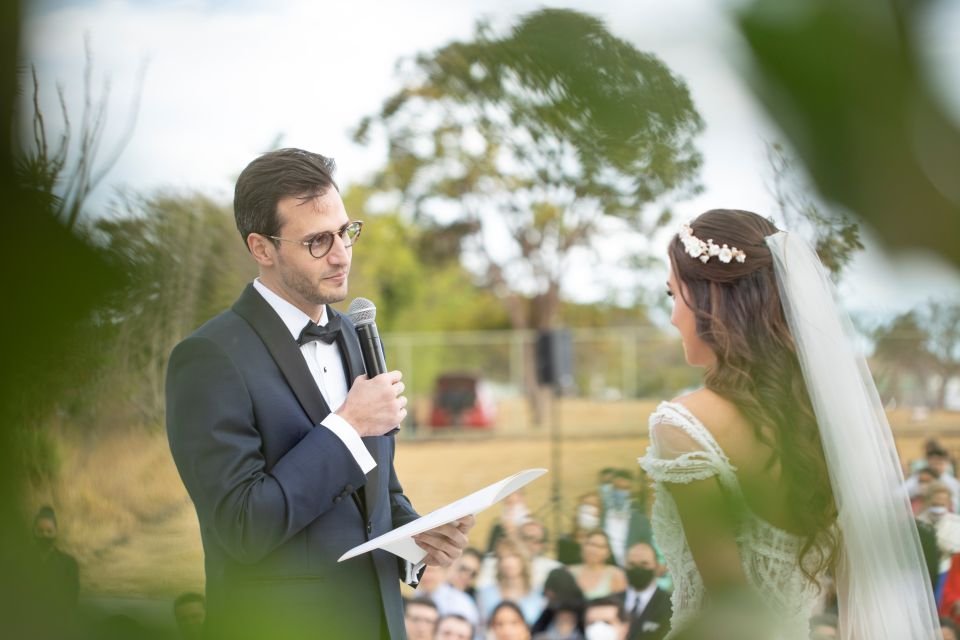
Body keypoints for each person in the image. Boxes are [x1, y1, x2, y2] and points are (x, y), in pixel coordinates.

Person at [165, 148, 474, 639]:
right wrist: (347, 427)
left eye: (345, 232)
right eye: (316, 241)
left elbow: (376, 492)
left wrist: (415, 537)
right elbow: (242, 525)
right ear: (262, 248)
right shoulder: (207, 359)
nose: (340, 254)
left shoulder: (355, 334)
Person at [638, 210, 938, 638]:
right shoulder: (819, 425)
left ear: (711, 298)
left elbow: (731, 610)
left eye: (673, 294)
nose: (671, 317)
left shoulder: (685, 424)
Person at [30, 506, 79, 621]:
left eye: (49, 531)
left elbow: (71, 602)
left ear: (56, 532)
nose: (45, 535)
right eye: (40, 531)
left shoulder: (69, 565)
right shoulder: (20, 562)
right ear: (34, 532)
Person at [622, 542, 670, 640]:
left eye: (644, 564)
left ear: (656, 566)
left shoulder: (672, 606)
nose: (638, 569)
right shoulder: (611, 601)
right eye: (632, 564)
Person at [568, 530, 627, 600]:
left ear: (608, 552)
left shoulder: (616, 575)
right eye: (591, 544)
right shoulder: (569, 572)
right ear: (583, 547)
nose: (594, 550)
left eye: (600, 547)